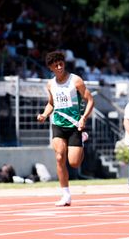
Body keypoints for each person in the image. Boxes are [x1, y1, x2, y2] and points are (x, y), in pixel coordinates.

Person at [37, 50, 95, 207]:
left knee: (74, 163)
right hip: (58, 124)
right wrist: (44, 114)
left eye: (61, 63)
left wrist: (83, 118)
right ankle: (66, 195)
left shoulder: (75, 81)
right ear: (51, 68)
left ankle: (82, 138)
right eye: (56, 65)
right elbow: (51, 103)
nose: (59, 66)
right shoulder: (50, 84)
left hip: (75, 125)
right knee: (59, 157)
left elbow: (90, 100)